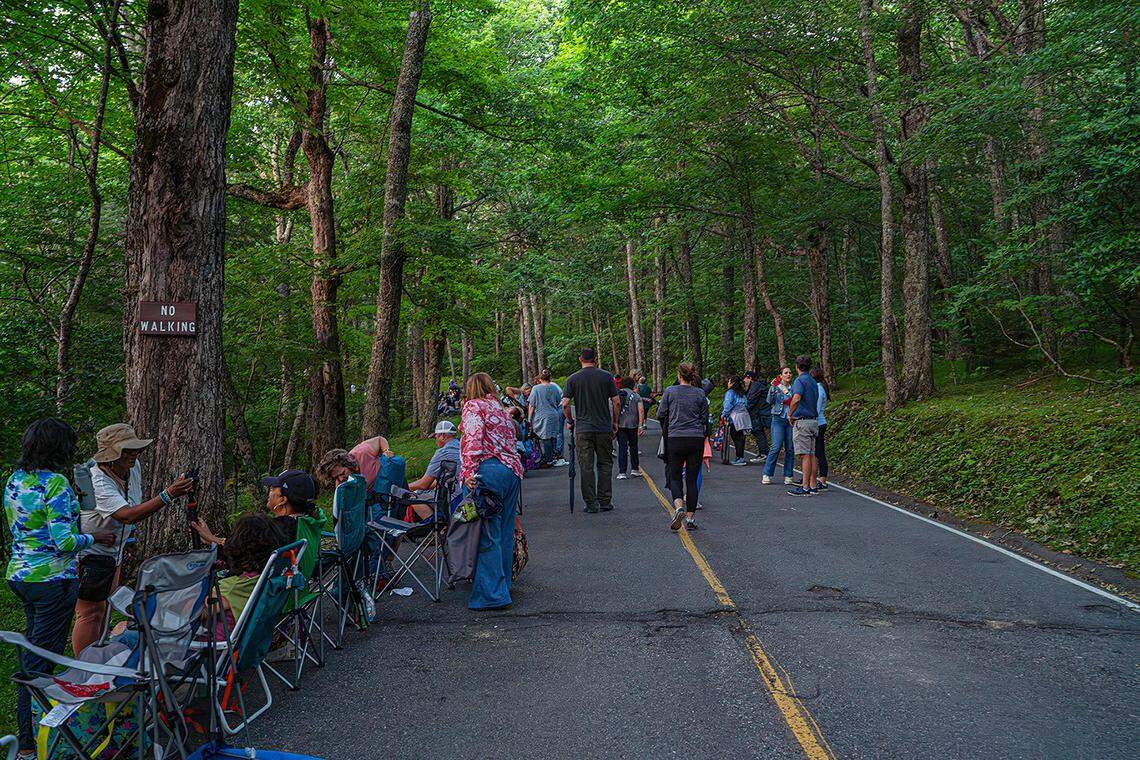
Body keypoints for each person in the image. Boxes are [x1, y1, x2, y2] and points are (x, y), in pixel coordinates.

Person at [4, 419, 114, 757]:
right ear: (59, 448)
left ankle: (31, 731)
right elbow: (64, 542)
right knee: (40, 664)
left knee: (34, 648)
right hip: (52, 579)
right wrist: (96, 537)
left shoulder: (15, 479)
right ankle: (29, 741)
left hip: (21, 575)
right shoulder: (56, 483)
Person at [71, 423, 195, 654]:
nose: (133, 454)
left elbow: (131, 505)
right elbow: (126, 515)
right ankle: (84, 667)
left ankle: (97, 657)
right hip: (90, 552)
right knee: (89, 612)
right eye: (126, 450)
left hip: (113, 550)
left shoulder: (132, 467)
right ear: (110, 456)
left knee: (105, 606)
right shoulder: (96, 479)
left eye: (135, 449)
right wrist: (168, 495)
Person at [459, 372, 524, 610]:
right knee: (505, 532)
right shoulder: (500, 409)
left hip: (489, 471)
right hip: (512, 471)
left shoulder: (473, 406)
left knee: (487, 533)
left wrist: (468, 473)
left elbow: (475, 441)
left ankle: (491, 595)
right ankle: (504, 585)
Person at [193, 469, 324, 556]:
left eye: (273, 488)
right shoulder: (307, 521)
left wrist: (212, 538)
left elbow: (244, 551)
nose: (269, 492)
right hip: (295, 590)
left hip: (268, 593)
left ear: (283, 499)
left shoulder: (278, 529)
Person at [562, 348, 620, 513]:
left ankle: (591, 503)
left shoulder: (573, 378)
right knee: (605, 463)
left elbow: (565, 403)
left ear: (580, 359)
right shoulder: (606, 376)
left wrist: (570, 420)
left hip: (583, 428)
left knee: (586, 466)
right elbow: (616, 402)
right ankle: (605, 501)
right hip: (603, 427)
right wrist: (615, 422)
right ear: (595, 359)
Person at [658, 363, 709, 531]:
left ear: (679, 375)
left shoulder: (670, 391)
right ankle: (690, 518)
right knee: (692, 479)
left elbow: (660, 413)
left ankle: (679, 505)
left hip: (675, 438)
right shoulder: (700, 393)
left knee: (675, 475)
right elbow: (704, 418)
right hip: (695, 438)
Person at [787, 356, 821, 496]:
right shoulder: (813, 381)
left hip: (803, 421)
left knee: (805, 455)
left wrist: (790, 413)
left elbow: (796, 398)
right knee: (812, 454)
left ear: (797, 366)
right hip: (814, 420)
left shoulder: (800, 380)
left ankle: (805, 486)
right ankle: (813, 484)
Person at [762, 367, 796, 485]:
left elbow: (795, 400)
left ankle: (788, 475)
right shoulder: (775, 387)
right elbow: (769, 401)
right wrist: (772, 388)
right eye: (785, 373)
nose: (788, 374)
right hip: (777, 419)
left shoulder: (795, 387)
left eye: (790, 373)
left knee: (790, 448)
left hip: (791, 421)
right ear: (780, 375)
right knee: (776, 447)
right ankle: (767, 474)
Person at [528, 370, 565, 466]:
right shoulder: (554, 387)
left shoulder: (536, 388)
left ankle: (548, 460)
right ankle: (553, 456)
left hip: (542, 415)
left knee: (545, 438)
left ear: (540, 379)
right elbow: (558, 401)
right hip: (554, 414)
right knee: (553, 436)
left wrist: (529, 418)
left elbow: (531, 404)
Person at [615, 376, 645, 480]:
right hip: (633, 424)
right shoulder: (636, 396)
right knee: (633, 446)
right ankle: (635, 469)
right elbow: (641, 411)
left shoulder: (617, 394)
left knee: (622, 447)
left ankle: (622, 472)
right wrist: (641, 425)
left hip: (620, 424)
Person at [720, 376, 751, 466]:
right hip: (744, 416)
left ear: (732, 383)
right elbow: (746, 404)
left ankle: (740, 458)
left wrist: (723, 414)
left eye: (729, 381)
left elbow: (728, 405)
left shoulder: (730, 393)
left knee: (736, 437)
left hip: (735, 417)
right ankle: (740, 457)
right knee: (741, 437)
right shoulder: (742, 393)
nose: (728, 383)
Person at [744, 371, 770, 463]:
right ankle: (764, 453)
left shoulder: (755, 386)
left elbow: (750, 401)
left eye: (745, 378)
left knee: (758, 432)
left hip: (760, 414)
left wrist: (742, 410)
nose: (744, 380)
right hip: (761, 413)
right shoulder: (758, 386)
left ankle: (763, 454)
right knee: (759, 433)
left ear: (749, 378)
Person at [811, 367, 830, 490]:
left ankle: (822, 479)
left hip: (818, 422)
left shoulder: (818, 388)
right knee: (817, 451)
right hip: (820, 421)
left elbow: (816, 409)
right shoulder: (822, 387)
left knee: (818, 452)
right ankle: (815, 477)